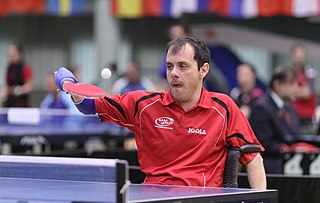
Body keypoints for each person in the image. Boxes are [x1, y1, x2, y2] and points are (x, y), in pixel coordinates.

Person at [55, 37, 266, 189]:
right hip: (153, 202)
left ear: (203, 70)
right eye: (170, 66)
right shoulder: (143, 104)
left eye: (183, 66)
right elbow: (89, 106)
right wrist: (70, 85)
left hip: (202, 201)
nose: (174, 73)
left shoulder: (224, 108)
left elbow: (253, 158)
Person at [249, 66, 300, 174]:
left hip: (291, 165)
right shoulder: (261, 107)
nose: (296, 88)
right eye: (291, 83)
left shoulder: (290, 107)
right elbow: (262, 143)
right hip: (270, 169)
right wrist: (283, 149)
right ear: (278, 85)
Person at [290, 43, 317, 133]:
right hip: (291, 115)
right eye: (297, 55)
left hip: (306, 119)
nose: (299, 58)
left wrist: (293, 90)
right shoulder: (288, 73)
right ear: (293, 56)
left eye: (301, 55)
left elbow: (307, 93)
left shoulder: (310, 73)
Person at [1, 43, 33, 107]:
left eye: (12, 51)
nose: (10, 53)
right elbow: (7, 86)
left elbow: (29, 86)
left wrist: (17, 90)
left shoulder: (25, 68)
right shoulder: (9, 68)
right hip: (9, 104)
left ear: (19, 53)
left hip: (20, 105)